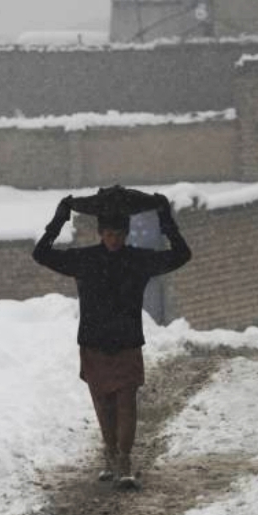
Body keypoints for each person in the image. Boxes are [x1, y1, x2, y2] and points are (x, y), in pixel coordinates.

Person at [33, 191, 191, 489]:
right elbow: (40, 254)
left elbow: (182, 255)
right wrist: (60, 217)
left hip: (127, 343)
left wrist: (165, 218)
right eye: (108, 233)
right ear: (100, 233)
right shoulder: (85, 259)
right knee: (103, 405)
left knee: (126, 403)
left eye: (118, 234)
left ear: (126, 234)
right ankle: (110, 454)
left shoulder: (138, 260)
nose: (113, 239)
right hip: (93, 343)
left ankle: (124, 460)